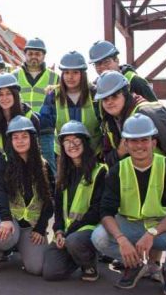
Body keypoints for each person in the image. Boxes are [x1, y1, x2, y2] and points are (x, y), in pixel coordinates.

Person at [95, 70, 166, 280]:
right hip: (162, 166)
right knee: (154, 212)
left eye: (114, 96)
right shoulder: (114, 119)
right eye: (105, 99)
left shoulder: (147, 112)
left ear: (125, 94)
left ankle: (165, 268)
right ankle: (150, 265)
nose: (109, 102)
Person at [91, 114, 166, 295]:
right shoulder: (117, 171)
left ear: (154, 142)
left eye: (144, 140)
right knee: (99, 237)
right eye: (133, 141)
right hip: (129, 225)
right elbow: (106, 211)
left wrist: (151, 234)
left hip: (160, 227)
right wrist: (122, 240)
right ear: (126, 144)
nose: (139, 146)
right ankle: (135, 264)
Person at [0, 116, 53, 275]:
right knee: (6, 234)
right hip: (4, 216)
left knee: (37, 268)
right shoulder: (2, 162)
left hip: (30, 224)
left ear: (32, 139)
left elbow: (50, 200)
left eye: (24, 136)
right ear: (10, 140)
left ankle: (21, 246)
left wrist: (41, 227)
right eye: (15, 137)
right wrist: (6, 219)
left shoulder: (43, 165)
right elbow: (0, 194)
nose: (20, 141)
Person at [42, 121, 107, 282]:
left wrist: (68, 233)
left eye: (76, 140)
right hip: (68, 233)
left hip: (90, 230)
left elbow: (97, 210)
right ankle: (76, 255)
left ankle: (89, 263)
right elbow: (58, 211)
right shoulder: (63, 174)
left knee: (74, 241)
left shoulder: (100, 171)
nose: (72, 145)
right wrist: (58, 231)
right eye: (67, 141)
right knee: (50, 272)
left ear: (84, 142)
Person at [38, 51, 101, 161]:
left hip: (93, 155)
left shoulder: (95, 94)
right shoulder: (53, 96)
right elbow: (45, 126)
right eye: (66, 72)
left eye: (75, 72)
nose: (70, 77)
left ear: (83, 74)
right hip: (64, 157)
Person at [13, 38, 60, 174]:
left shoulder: (55, 78)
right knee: (21, 170)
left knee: (48, 170)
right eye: (31, 53)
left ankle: (51, 196)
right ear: (25, 54)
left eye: (38, 54)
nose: (34, 56)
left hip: (45, 133)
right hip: (20, 132)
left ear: (43, 56)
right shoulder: (14, 76)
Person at [0, 73, 41, 165]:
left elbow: (35, 153)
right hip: (2, 167)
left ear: (15, 95)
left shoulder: (31, 118)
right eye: (1, 94)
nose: (4, 98)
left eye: (8, 93)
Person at [88, 40, 157, 102]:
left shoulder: (136, 82)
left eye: (106, 62)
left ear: (117, 60)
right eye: (97, 64)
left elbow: (157, 111)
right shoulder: (97, 87)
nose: (102, 67)